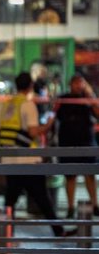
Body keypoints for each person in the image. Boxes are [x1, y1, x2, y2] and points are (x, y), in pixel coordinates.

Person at [0, 72, 75, 237]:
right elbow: (33, 131)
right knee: (43, 198)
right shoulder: (28, 105)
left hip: (9, 159)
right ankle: (58, 230)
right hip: (28, 160)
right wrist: (48, 124)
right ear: (30, 86)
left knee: (10, 200)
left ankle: (5, 235)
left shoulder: (5, 105)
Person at [47, 74, 99, 217]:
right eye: (76, 83)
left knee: (90, 174)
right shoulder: (63, 99)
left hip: (87, 141)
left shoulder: (88, 99)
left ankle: (95, 204)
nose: (78, 86)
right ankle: (70, 208)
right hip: (68, 141)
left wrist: (91, 96)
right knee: (70, 176)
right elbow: (52, 115)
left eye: (81, 83)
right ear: (70, 84)